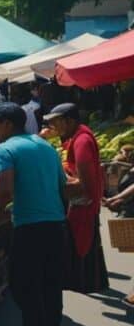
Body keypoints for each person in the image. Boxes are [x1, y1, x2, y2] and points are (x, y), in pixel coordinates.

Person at [0, 103, 68, 326]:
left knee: (25, 291)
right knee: (51, 283)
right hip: (56, 224)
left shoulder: (4, 150)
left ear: (5, 124)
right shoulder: (46, 147)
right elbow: (62, 186)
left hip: (29, 228)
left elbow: (4, 191)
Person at [44, 103, 108, 294]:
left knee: (83, 242)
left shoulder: (82, 141)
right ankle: (92, 281)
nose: (54, 126)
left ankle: (85, 283)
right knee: (88, 244)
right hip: (87, 202)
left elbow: (85, 181)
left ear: (69, 121)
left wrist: (60, 187)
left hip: (83, 203)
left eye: (57, 122)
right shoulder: (79, 136)